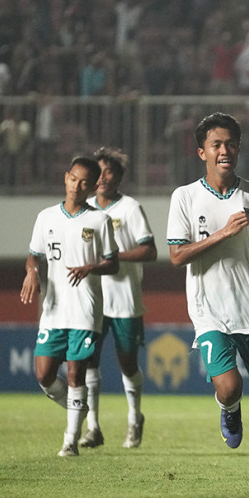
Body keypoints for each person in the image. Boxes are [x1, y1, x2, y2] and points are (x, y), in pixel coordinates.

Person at [166, 112, 249, 490]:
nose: (224, 150)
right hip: (209, 311)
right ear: (202, 152)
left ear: (239, 149)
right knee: (229, 388)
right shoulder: (185, 197)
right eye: (216, 144)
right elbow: (177, 256)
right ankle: (228, 410)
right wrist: (223, 233)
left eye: (230, 144)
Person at [21, 156, 120, 457]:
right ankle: (78, 405)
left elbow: (113, 263)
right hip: (52, 309)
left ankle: (70, 441)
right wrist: (31, 272)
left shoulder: (99, 221)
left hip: (85, 310)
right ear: (66, 178)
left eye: (85, 183)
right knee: (44, 375)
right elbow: (33, 254)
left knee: (76, 372)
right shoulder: (46, 217)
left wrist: (91, 267)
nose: (77, 186)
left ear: (93, 187)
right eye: (73, 179)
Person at [79, 147, 157, 450]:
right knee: (88, 362)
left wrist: (112, 258)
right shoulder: (83, 209)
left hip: (125, 298)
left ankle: (134, 418)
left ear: (119, 176)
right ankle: (93, 427)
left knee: (127, 363)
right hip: (91, 300)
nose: (101, 177)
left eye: (109, 171)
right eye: (97, 171)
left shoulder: (129, 208)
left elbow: (149, 250)